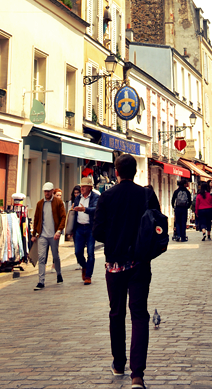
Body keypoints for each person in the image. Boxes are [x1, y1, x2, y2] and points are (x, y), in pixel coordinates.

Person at [93, 154, 160, 389]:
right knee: (139, 315)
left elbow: (98, 232)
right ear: (135, 172)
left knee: (116, 313)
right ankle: (137, 375)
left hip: (115, 264)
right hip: (140, 262)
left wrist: (114, 237)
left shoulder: (107, 196)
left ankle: (119, 364)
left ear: (117, 172)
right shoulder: (146, 194)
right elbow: (157, 225)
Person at [32, 181, 66, 290]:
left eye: (48, 191)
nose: (46, 193)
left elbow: (63, 217)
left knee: (55, 256)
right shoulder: (40, 204)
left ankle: (59, 274)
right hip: (42, 234)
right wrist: (34, 234)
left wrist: (59, 231)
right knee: (41, 257)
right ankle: (41, 281)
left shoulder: (58, 203)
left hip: (54, 234)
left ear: (52, 191)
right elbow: (36, 219)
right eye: (45, 191)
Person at [71, 174, 100, 283]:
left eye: (84, 186)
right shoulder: (78, 198)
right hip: (79, 228)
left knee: (90, 253)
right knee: (78, 252)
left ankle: (88, 276)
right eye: (81, 186)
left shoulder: (95, 197)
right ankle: (84, 266)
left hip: (90, 228)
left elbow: (96, 209)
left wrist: (85, 209)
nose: (81, 188)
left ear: (90, 188)